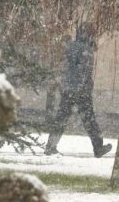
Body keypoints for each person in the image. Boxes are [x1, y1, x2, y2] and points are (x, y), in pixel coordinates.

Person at [45, 23, 112, 158]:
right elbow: (83, 72)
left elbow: (66, 68)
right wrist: (84, 88)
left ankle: (50, 146)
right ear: (88, 35)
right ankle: (98, 147)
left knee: (61, 118)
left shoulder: (70, 47)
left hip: (67, 89)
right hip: (81, 91)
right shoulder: (86, 50)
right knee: (89, 120)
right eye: (93, 34)